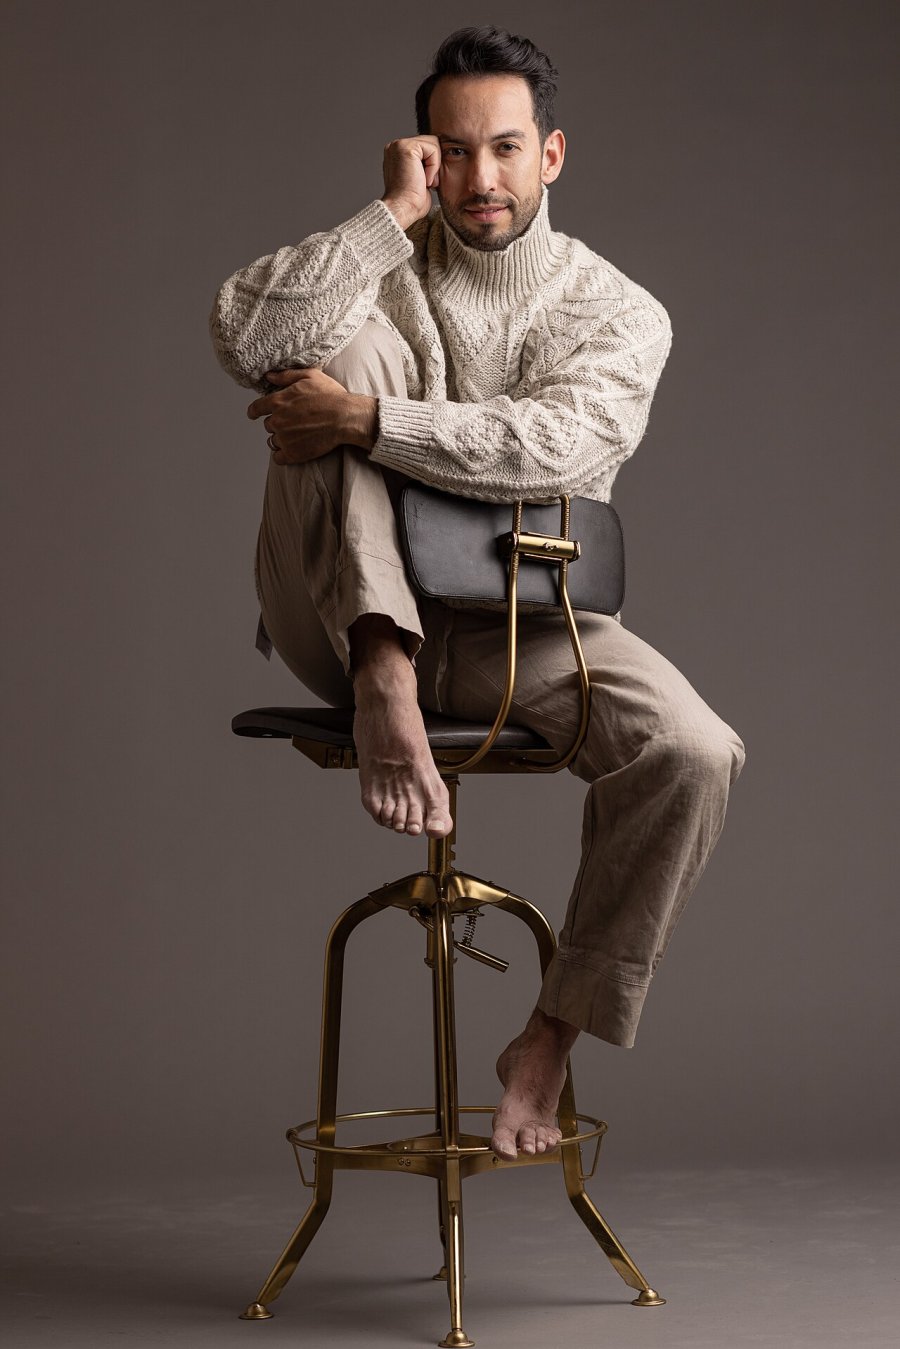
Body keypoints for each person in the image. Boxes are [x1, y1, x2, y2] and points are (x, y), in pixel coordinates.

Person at [209, 25, 746, 1165]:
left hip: (518, 615)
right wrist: (385, 220)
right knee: (345, 346)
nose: (480, 176)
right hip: (338, 605)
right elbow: (243, 334)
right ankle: (384, 669)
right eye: (452, 152)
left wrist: (368, 423)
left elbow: (557, 450)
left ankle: (548, 1037)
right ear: (423, 155)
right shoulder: (384, 255)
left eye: (504, 148)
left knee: (694, 751)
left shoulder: (618, 309)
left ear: (552, 154)